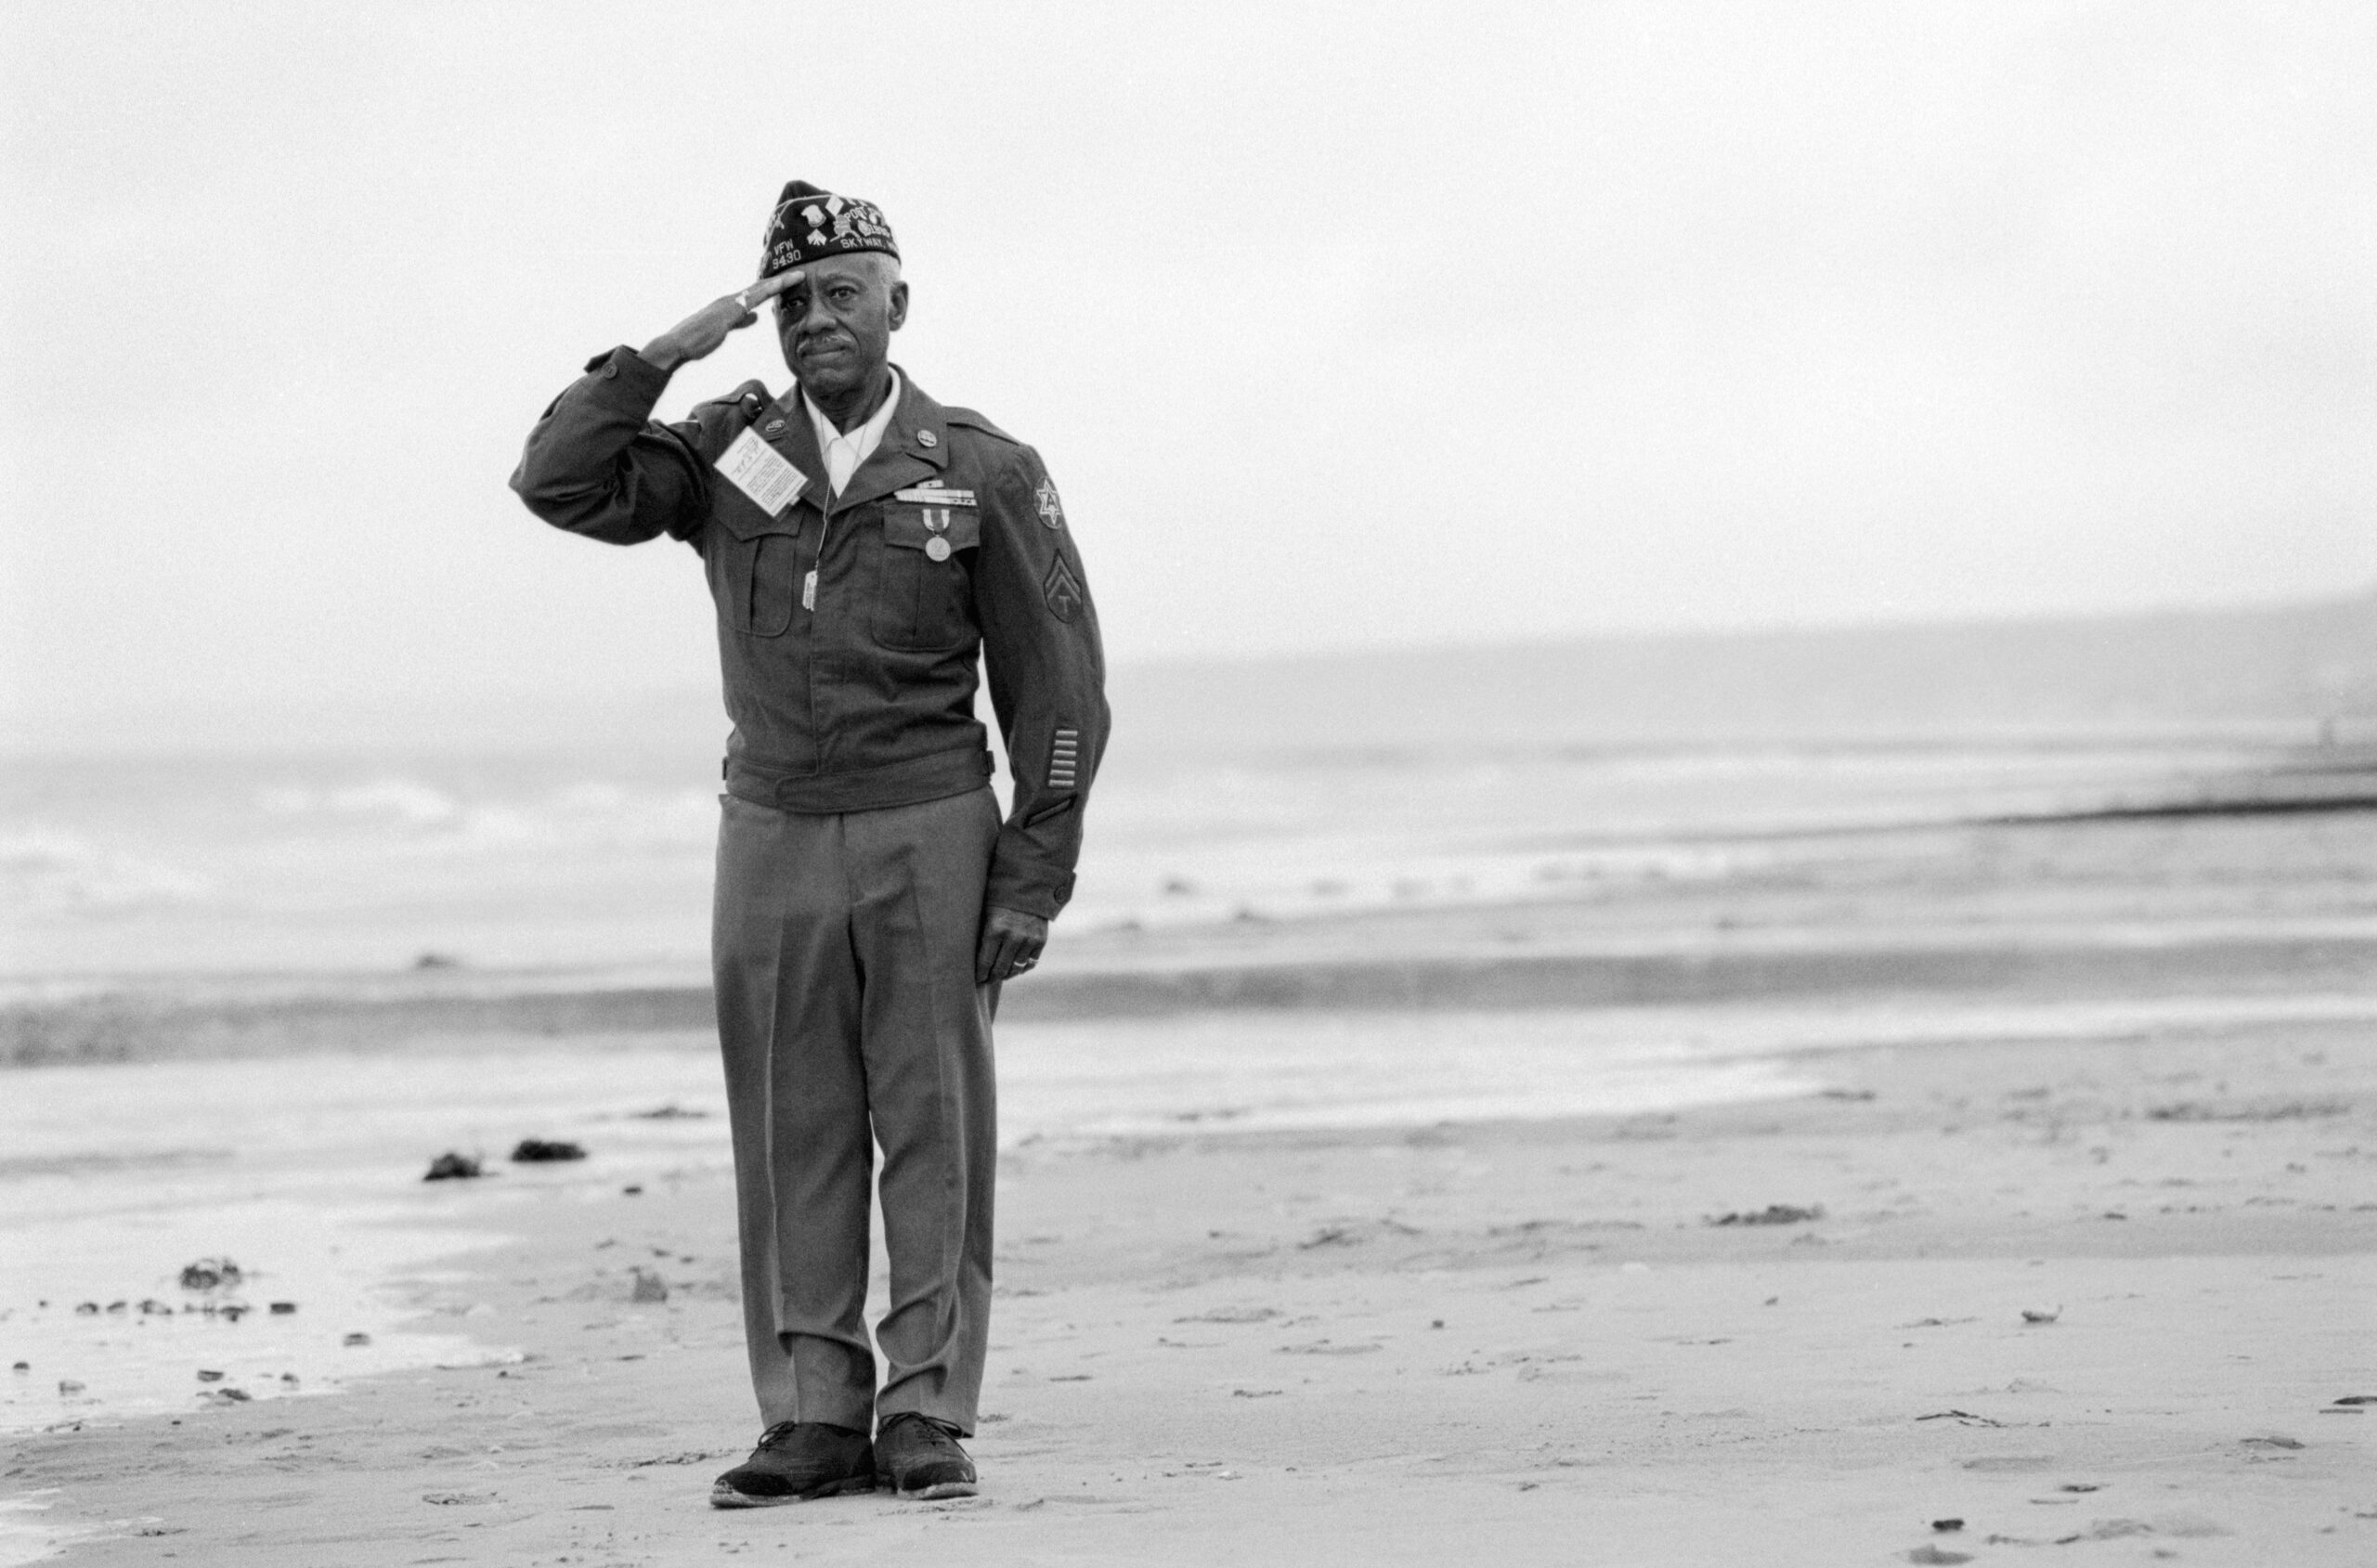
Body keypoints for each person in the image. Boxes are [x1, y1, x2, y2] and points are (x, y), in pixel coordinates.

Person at [509, 181, 1109, 1507]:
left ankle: (925, 1410)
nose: (817, 321)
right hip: (771, 828)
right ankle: (814, 1412)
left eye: (844, 293)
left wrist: (1035, 870)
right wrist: (664, 354)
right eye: (791, 301)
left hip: (930, 824)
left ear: (902, 301)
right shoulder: (727, 449)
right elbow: (556, 482)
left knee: (933, 1122)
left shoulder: (980, 465)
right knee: (792, 1131)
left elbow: (1060, 689)